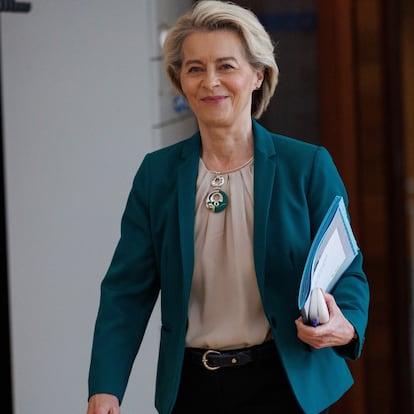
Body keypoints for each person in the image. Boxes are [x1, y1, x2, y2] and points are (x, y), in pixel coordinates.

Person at [86, 1, 370, 413]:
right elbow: (125, 293)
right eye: (195, 68)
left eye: (226, 66)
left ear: (258, 75)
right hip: (191, 389)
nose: (210, 82)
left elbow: (348, 271)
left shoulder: (306, 166)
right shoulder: (157, 175)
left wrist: (344, 325)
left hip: (284, 384)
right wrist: (105, 388)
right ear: (179, 79)